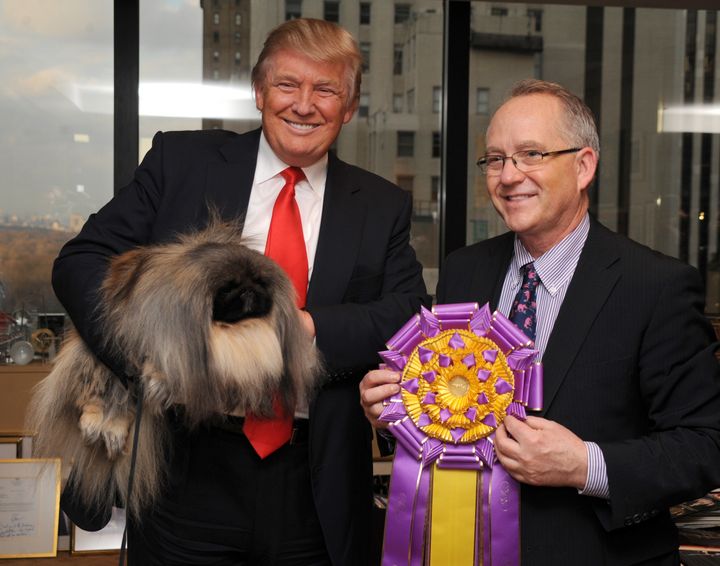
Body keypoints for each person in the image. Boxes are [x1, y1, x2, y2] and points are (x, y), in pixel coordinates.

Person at [53, 18, 430, 566]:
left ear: (348, 107)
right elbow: (80, 263)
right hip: (184, 467)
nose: (304, 105)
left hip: (314, 482)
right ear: (259, 91)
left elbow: (406, 314)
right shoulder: (182, 163)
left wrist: (305, 330)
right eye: (287, 85)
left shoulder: (381, 204)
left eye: (325, 89)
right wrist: (159, 358)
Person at [360, 79, 720, 565]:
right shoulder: (464, 270)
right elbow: (446, 418)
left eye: (531, 154)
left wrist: (584, 466)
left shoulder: (655, 285)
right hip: (464, 550)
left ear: (583, 166)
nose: (509, 176)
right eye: (495, 159)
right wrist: (395, 415)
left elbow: (705, 445)